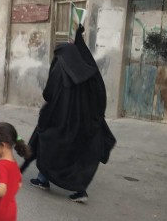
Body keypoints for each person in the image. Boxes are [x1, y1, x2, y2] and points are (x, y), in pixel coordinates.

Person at [24, 25, 116, 203]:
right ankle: (79, 190)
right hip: (81, 122)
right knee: (76, 154)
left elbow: (49, 93)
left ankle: (43, 179)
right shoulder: (87, 70)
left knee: (47, 146)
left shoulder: (59, 68)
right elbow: (98, 93)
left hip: (58, 119)